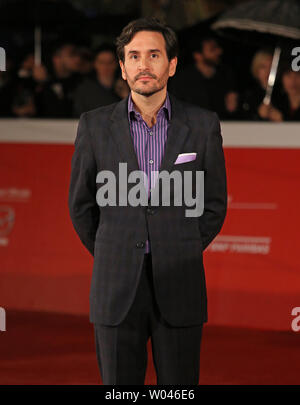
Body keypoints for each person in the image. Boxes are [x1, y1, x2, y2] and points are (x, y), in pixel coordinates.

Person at [68, 17, 227, 385]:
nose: (144, 65)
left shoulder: (203, 125)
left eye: (154, 55)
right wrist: (115, 248)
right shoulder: (93, 126)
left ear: (171, 64)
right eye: (134, 56)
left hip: (180, 281)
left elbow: (214, 204)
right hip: (115, 284)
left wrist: (179, 244)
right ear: (122, 67)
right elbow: (82, 206)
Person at [168, 34, 238, 119]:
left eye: (217, 48)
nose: (219, 51)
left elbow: (231, 110)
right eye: (212, 49)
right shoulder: (183, 79)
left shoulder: (225, 75)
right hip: (193, 128)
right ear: (198, 55)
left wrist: (233, 107)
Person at [72, 44, 125, 117]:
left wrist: (126, 96)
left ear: (117, 64)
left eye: (110, 62)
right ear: (95, 64)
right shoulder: (84, 90)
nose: (106, 66)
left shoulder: (126, 87)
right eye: (102, 62)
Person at [239, 49, 282, 121]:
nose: (268, 71)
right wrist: (258, 115)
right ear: (256, 68)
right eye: (263, 67)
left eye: (271, 67)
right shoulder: (248, 95)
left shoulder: (282, 93)